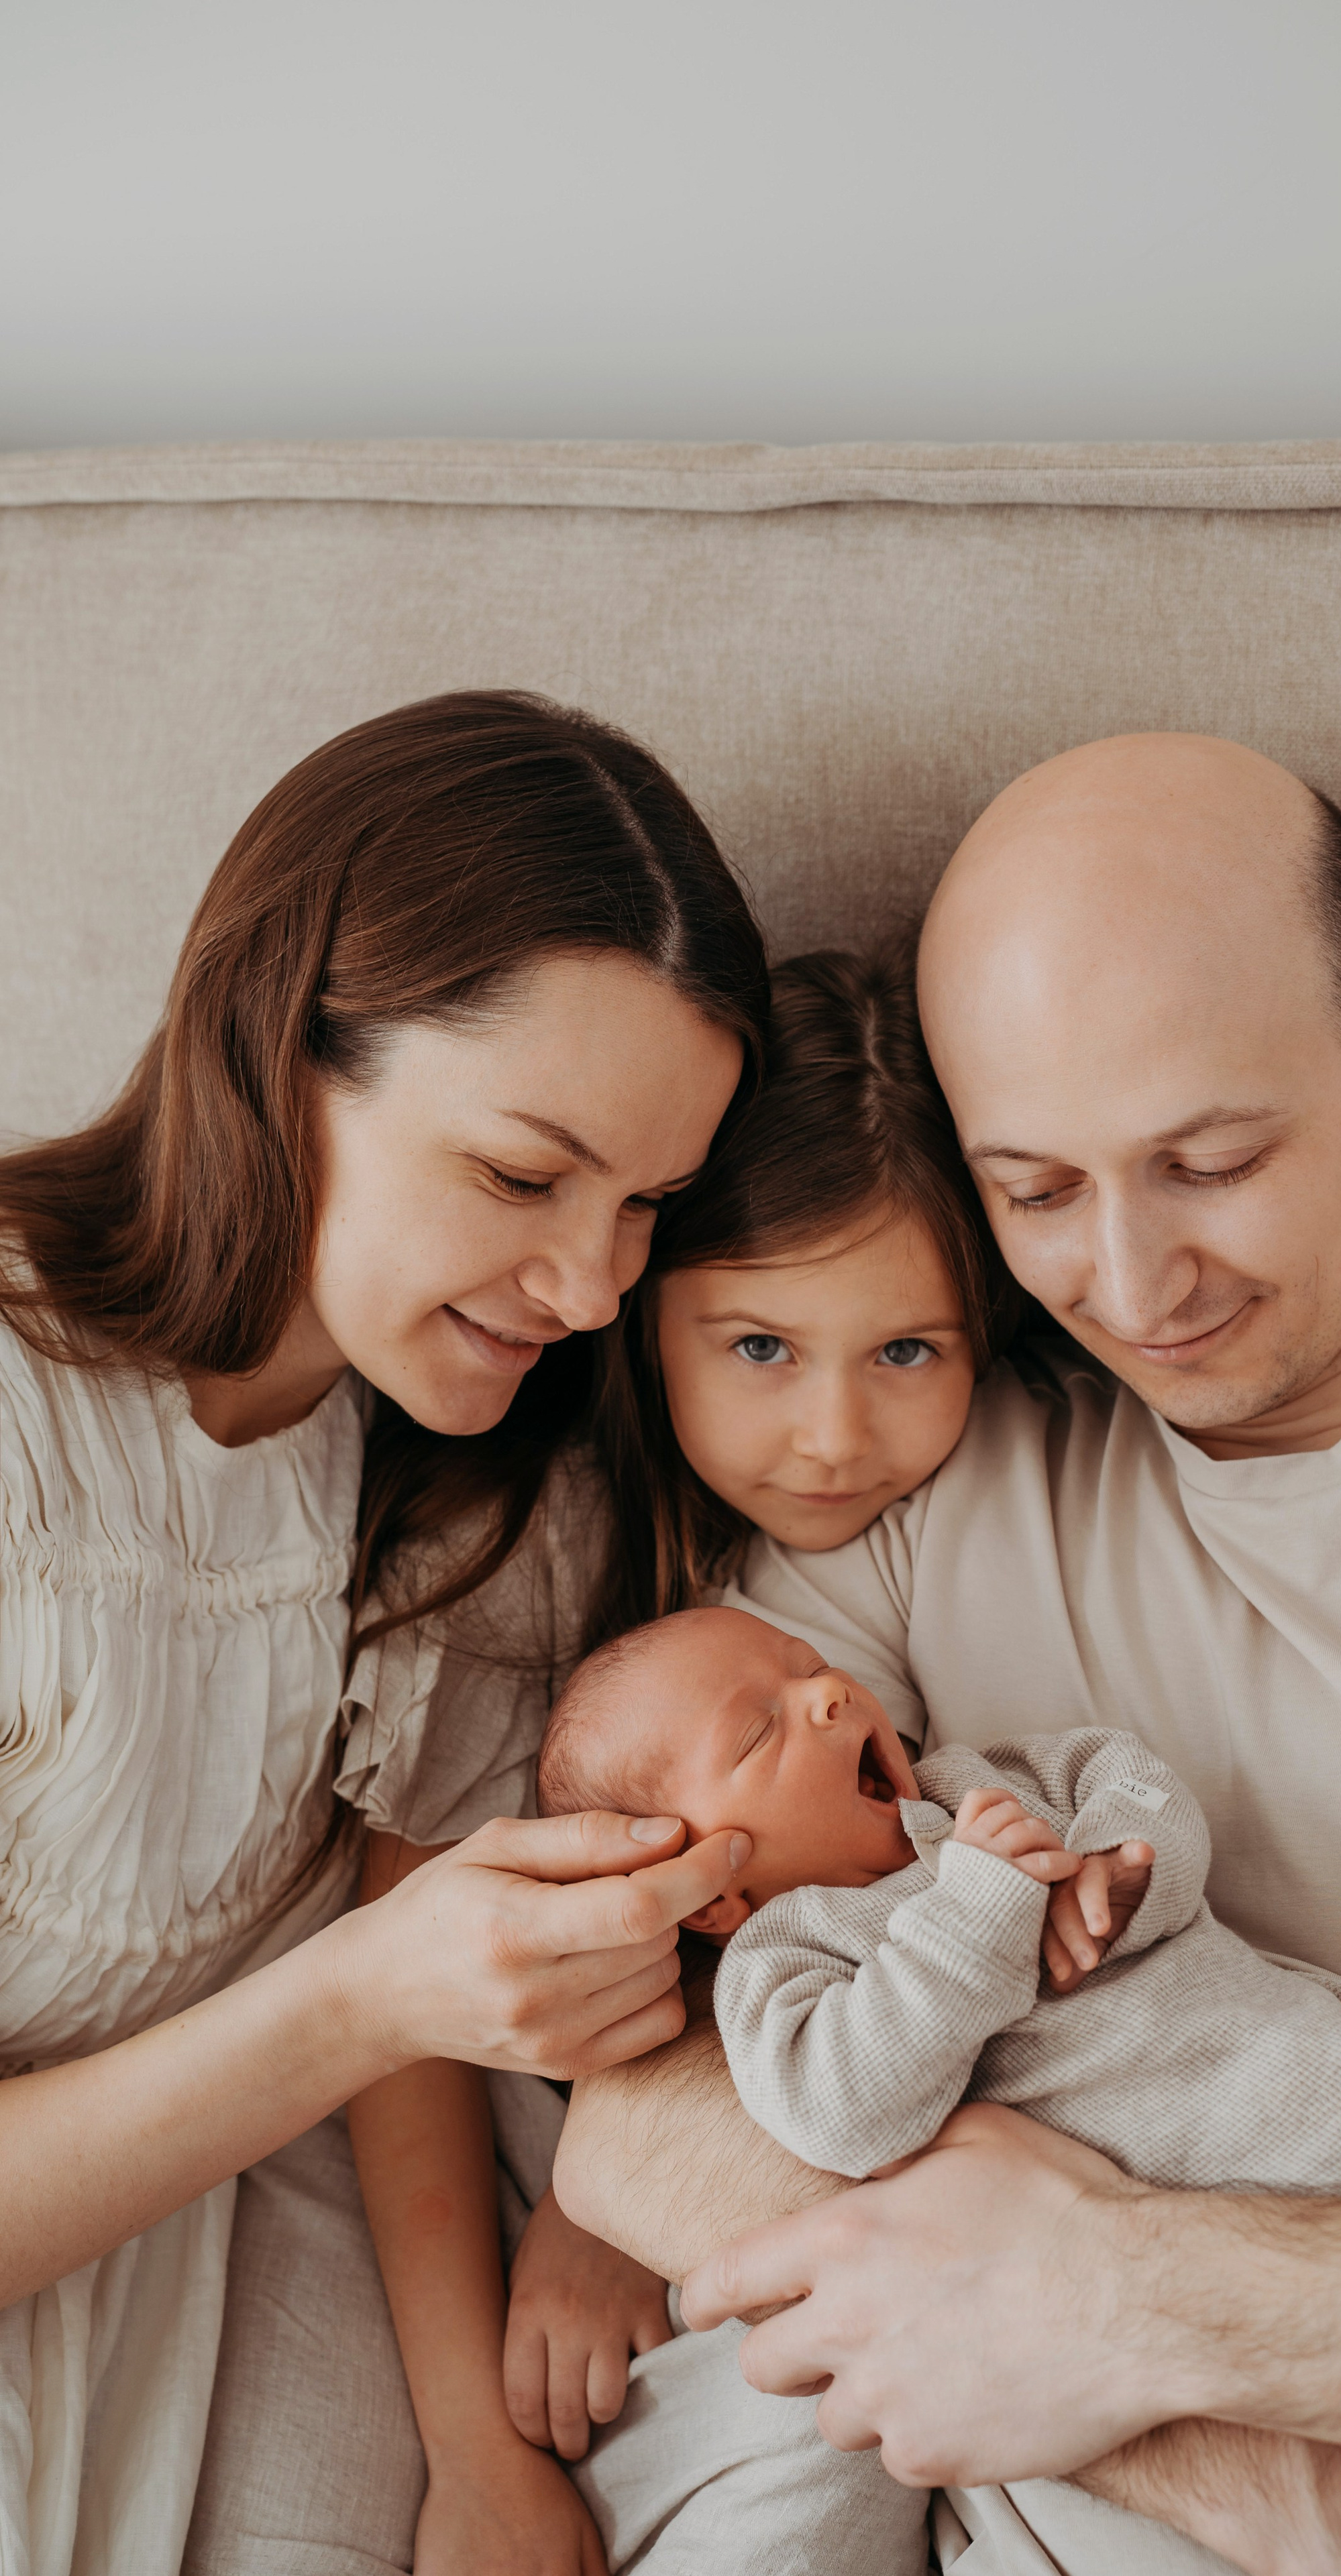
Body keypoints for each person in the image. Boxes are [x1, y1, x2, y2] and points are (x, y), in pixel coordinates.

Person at [555, 734, 1341, 2576]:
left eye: (1211, 1161)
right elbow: (639, 2117)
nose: (1133, 1281)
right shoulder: (919, 1490)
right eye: (1034, 1192)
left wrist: (1137, 2297)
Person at [0, 688, 774, 2576]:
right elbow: (389, 1974)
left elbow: (411, 1914)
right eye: (524, 1176)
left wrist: (476, 2454)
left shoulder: (467, 1469)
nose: (594, 1284)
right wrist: (367, 1992)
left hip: (159, 2288)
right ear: (281, 1052)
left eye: (648, 1208)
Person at [187, 943, 1006, 2573]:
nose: (834, 1437)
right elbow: (400, 1991)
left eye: (906, 1351)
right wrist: (476, 2440)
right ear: (641, 1318)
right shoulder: (533, 1544)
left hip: (772, 2149)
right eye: (758, 1348)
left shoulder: (972, 1535)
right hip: (466, 2133)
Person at [541, 1604, 1341, 2572]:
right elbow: (845, 2109)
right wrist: (980, 1907)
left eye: (809, 1668)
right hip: (1227, 2189)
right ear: (709, 1893)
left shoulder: (981, 1780)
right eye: (761, 1731)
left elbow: (1130, 1779)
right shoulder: (786, 1959)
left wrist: (1125, 1869)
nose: (831, 1698)